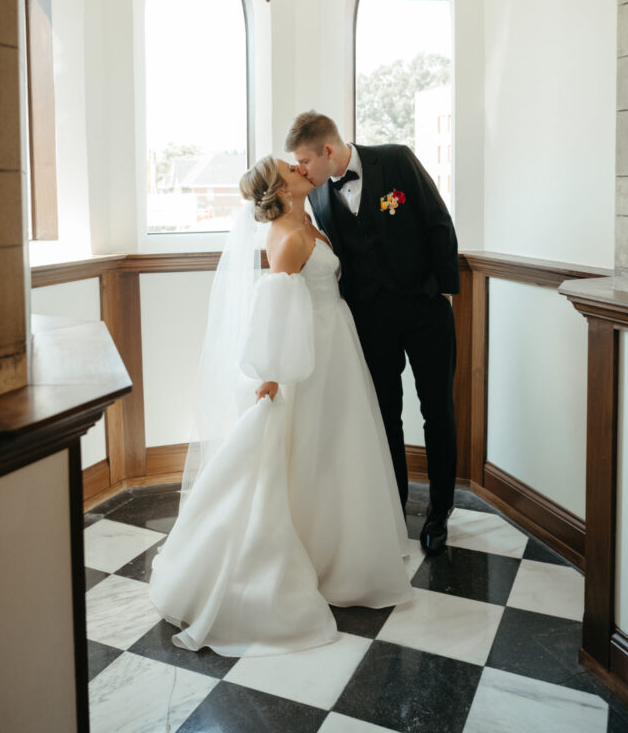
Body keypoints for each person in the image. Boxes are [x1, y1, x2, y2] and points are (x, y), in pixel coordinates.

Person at [149, 156, 412, 657]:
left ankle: (340, 553)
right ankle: (294, 559)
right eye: (291, 168)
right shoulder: (290, 238)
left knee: (337, 447)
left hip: (336, 344)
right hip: (310, 355)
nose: (300, 167)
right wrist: (271, 376)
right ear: (283, 188)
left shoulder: (304, 220)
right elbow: (274, 308)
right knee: (309, 448)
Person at [285, 111, 459, 556]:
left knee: (437, 409)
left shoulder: (396, 160)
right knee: (385, 415)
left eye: (305, 160)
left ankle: (440, 513)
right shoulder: (319, 196)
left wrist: (444, 294)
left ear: (327, 150)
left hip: (425, 310)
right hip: (370, 320)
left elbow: (438, 221)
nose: (301, 169)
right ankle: (392, 507)